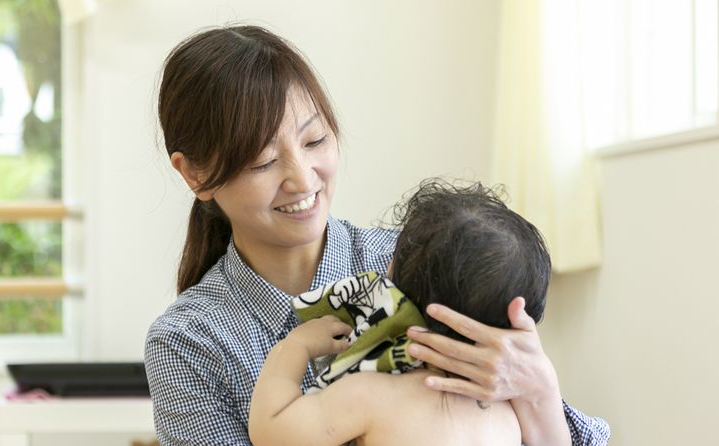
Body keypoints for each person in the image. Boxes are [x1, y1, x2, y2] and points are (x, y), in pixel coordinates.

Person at [143, 25, 611, 445]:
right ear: (195, 176)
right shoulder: (189, 341)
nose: (304, 180)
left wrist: (538, 389)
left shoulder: (414, 261)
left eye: (314, 141)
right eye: (263, 162)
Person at [249, 179, 556, 445]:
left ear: (398, 294)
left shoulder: (369, 396)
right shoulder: (511, 408)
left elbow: (271, 429)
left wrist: (295, 346)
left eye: (392, 259)